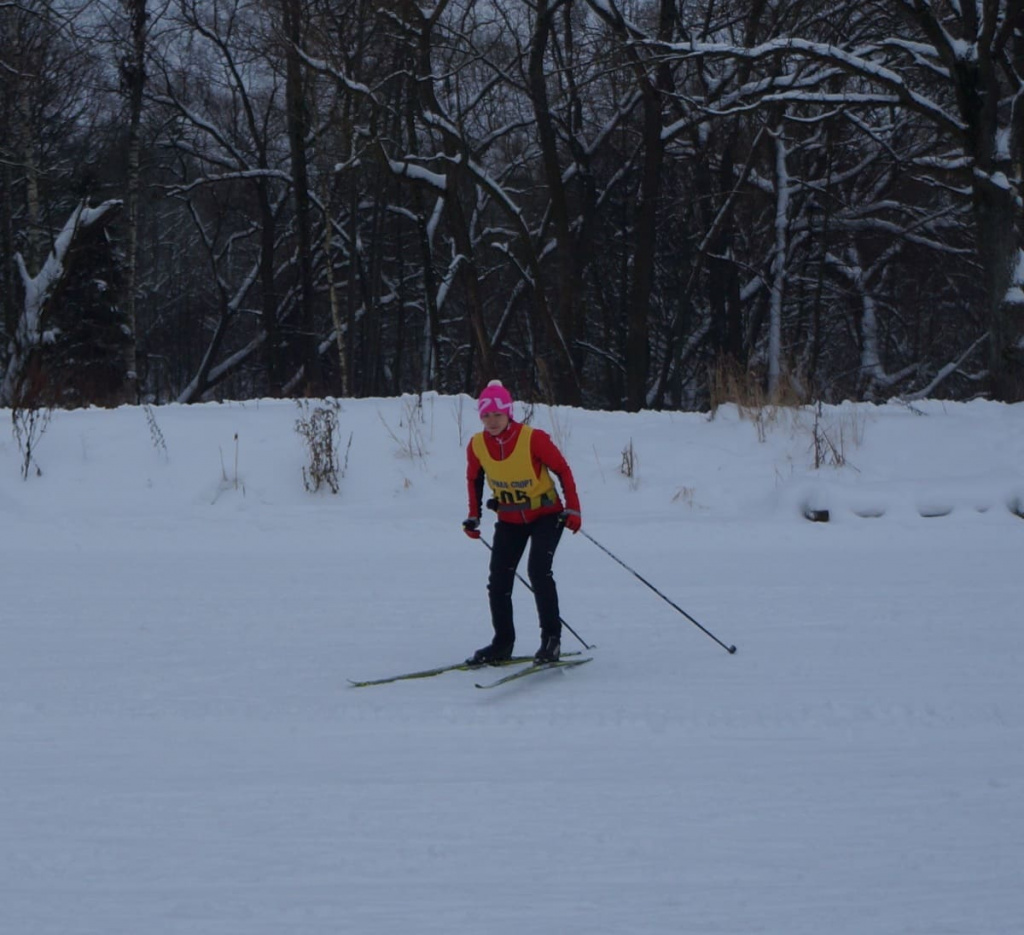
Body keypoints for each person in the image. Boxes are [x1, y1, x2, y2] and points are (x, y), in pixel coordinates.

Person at [462, 380, 582, 665]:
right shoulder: (477, 445)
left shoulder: (532, 438)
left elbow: (562, 470)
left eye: (497, 415)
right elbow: (474, 479)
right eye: (486, 416)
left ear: (509, 413)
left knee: (538, 572)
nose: (491, 421)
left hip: (546, 515)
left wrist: (574, 509)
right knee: (498, 580)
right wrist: (473, 515)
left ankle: (551, 641)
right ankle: (502, 643)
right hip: (509, 519)